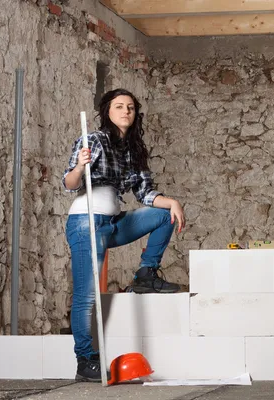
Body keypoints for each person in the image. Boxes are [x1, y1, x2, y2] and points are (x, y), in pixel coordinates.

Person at [62, 88, 186, 382]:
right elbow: (69, 183)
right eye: (119, 106)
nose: (126, 111)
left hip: (113, 223)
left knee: (164, 215)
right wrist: (80, 165)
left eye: (130, 107)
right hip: (87, 223)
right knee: (86, 295)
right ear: (108, 111)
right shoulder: (93, 140)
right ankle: (85, 360)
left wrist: (172, 202)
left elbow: (144, 193)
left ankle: (145, 273)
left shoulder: (133, 149)